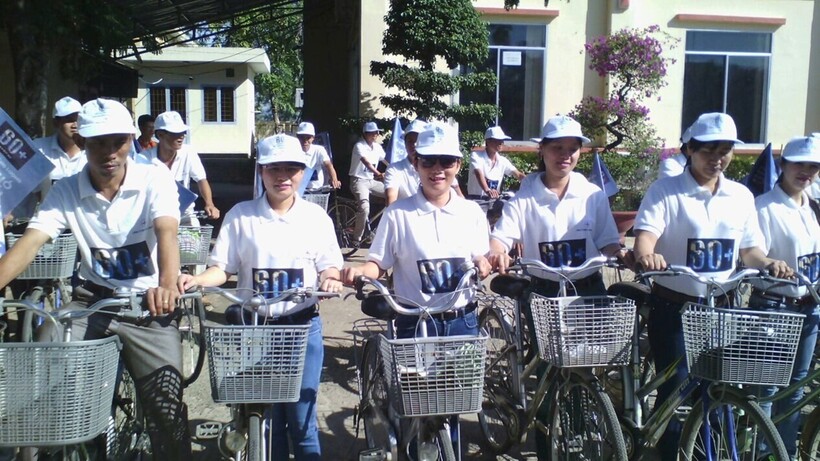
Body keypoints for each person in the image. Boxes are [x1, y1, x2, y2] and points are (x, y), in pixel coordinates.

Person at [0, 98, 191, 458]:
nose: (109, 152)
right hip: (91, 302)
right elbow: (28, 245)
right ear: (83, 143)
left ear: (131, 140)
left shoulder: (154, 178)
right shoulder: (67, 189)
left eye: (118, 141)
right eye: (98, 142)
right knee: (46, 350)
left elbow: (167, 231)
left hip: (147, 306)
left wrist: (167, 285)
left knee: (166, 407)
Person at [632, 112, 791, 460]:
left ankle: (711, 452)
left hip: (724, 307)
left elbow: (749, 250)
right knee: (677, 388)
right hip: (675, 306)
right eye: (708, 150)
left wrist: (766, 263)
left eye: (725, 150)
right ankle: (669, 452)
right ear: (690, 149)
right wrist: (648, 255)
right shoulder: (665, 191)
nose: (717, 158)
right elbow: (645, 238)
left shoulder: (740, 196)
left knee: (719, 388)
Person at [178, 133, 344, 461]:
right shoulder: (241, 216)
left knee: (301, 420)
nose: (283, 176)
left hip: (301, 328)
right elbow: (221, 269)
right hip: (254, 330)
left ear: (303, 171)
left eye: (292, 169)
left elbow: (330, 267)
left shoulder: (316, 218)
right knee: (264, 419)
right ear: (261, 171)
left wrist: (331, 279)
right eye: (273, 168)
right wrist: (197, 279)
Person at [488, 114, 623, 458]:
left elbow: (609, 240)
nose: (565, 155)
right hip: (545, 291)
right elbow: (503, 234)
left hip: (587, 288)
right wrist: (499, 251)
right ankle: (547, 443)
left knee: (585, 367)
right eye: (557, 148)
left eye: (572, 149)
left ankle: (576, 432)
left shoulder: (592, 194)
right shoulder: (526, 195)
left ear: (580, 152)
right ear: (542, 151)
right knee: (549, 369)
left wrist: (619, 253)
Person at [342, 121, 491, 338]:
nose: (437, 169)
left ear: (458, 165)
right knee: (409, 374)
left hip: (463, 321)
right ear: (416, 163)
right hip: (414, 323)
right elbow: (378, 264)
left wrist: (484, 262)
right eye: (428, 161)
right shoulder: (397, 214)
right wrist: (359, 272)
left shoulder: (472, 212)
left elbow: (481, 257)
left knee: (465, 373)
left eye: (447, 161)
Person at [752, 135, 820, 457]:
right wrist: (769, 263)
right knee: (768, 388)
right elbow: (752, 254)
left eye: (814, 166)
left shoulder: (814, 208)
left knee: (796, 390)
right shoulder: (764, 206)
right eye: (799, 164)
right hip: (774, 307)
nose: (806, 171)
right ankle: (763, 452)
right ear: (783, 164)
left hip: (810, 308)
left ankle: (784, 454)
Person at [140, 110, 220, 224]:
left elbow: (201, 179)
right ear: (160, 135)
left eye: (183, 132)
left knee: (194, 239)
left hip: (185, 214)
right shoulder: (144, 159)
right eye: (175, 133)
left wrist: (209, 203)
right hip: (155, 215)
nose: (181, 136)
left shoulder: (188, 152)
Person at [384, 119, 463, 205]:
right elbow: (391, 198)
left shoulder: (444, 168)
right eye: (410, 141)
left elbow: (460, 197)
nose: (414, 144)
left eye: (417, 140)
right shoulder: (395, 169)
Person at [349, 121, 388, 244]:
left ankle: (378, 230)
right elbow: (366, 162)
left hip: (371, 181)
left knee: (394, 195)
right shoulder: (359, 146)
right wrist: (378, 173)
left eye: (376, 132)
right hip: (358, 180)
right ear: (365, 134)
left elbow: (387, 161)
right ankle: (356, 238)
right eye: (372, 133)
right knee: (365, 208)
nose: (375, 135)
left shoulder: (377, 147)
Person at [466, 126, 525, 199]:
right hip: (476, 200)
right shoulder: (476, 156)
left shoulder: (503, 160)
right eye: (497, 140)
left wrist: (532, 182)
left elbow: (518, 175)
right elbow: (478, 173)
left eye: (502, 140)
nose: (501, 143)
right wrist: (487, 190)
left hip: (493, 201)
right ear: (488, 141)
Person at [295, 121, 341, 191]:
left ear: (313, 138)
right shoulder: (293, 150)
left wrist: (334, 179)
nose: (305, 140)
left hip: (316, 189)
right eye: (302, 137)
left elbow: (328, 164)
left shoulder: (319, 150)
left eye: (308, 137)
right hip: (298, 189)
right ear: (297, 137)